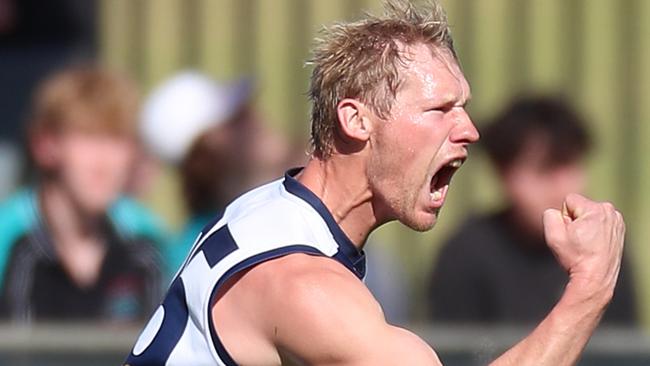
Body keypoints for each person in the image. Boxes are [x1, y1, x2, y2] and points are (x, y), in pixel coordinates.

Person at [125, 1, 626, 365]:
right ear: (357, 120)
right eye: (439, 109)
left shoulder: (266, 207)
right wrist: (590, 286)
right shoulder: (307, 288)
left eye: (465, 107)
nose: (470, 129)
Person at [429, 96, 638, 325]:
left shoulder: (600, 247)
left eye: (568, 165)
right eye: (543, 171)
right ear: (504, 174)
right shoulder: (467, 254)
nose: (561, 188)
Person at [0, 65, 165, 323]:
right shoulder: (7, 238)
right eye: (87, 137)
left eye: (116, 139)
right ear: (45, 145)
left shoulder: (145, 241)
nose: (104, 162)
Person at [139, 71, 290, 279]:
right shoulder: (197, 257)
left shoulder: (276, 214)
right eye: (237, 118)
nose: (256, 118)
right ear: (210, 147)